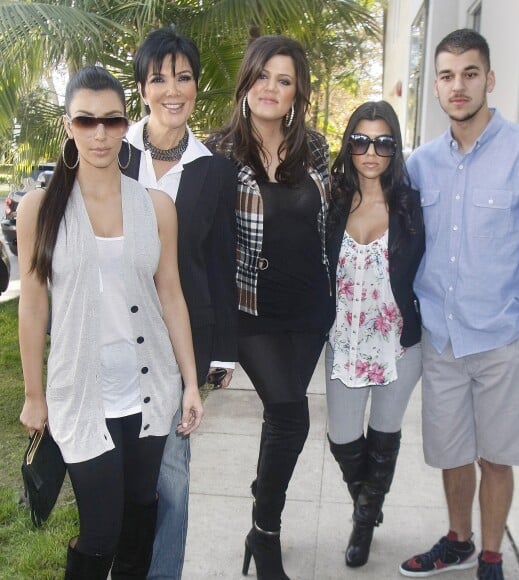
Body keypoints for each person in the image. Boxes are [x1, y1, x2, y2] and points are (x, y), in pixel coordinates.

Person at [18, 66, 203, 580]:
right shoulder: (41, 208)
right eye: (86, 120)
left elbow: (171, 295)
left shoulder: (156, 207)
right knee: (101, 531)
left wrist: (190, 383)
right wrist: (35, 396)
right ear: (68, 126)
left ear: (126, 125)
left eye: (111, 121)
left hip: (148, 389)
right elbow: (32, 306)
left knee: (140, 517)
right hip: (81, 396)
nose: (99, 133)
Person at [398, 29, 519, 580]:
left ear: (489, 79)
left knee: (496, 457)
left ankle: (492, 556)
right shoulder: (420, 163)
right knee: (451, 454)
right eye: (446, 75)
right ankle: (459, 541)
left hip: (501, 340)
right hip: (443, 341)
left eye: (470, 73)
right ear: (436, 87)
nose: (458, 85)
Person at [206, 34, 335, 580]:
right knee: (290, 415)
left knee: (280, 424)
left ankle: (266, 491)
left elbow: (331, 223)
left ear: (297, 92)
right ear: (247, 79)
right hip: (250, 311)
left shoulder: (317, 149)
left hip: (310, 310)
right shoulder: (217, 152)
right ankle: (266, 533)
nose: (271, 89)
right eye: (263, 76)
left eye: (284, 80)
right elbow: (202, 241)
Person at [124, 27, 238, 579]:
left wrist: (219, 356)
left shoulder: (213, 170)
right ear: (142, 87)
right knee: (115, 475)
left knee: (172, 476)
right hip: (111, 338)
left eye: (184, 77)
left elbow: (218, 262)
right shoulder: (109, 151)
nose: (174, 89)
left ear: (196, 85)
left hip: (177, 343)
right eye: (160, 77)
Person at [325, 100, 424, 568]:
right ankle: (370, 500)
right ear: (349, 145)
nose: (370, 151)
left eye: (383, 142)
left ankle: (363, 523)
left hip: (399, 344)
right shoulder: (332, 200)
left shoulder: (410, 204)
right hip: (343, 339)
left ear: (395, 148)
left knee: (383, 436)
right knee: (344, 438)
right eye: (360, 140)